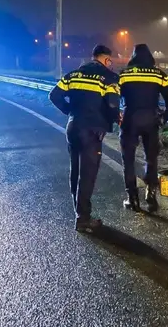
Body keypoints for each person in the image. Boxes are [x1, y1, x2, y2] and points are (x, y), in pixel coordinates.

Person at [49, 44, 120, 233]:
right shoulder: (108, 78)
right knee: (87, 175)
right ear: (105, 59)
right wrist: (116, 119)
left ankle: (79, 213)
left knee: (75, 171)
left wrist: (69, 111)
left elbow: (54, 95)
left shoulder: (74, 75)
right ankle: (83, 218)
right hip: (92, 131)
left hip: (73, 128)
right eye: (110, 61)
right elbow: (113, 103)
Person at [118, 44, 168, 212]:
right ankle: (151, 196)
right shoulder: (159, 75)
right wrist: (163, 119)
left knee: (128, 160)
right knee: (151, 159)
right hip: (151, 120)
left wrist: (116, 116)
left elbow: (113, 97)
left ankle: (132, 198)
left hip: (129, 120)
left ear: (133, 56)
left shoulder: (124, 74)